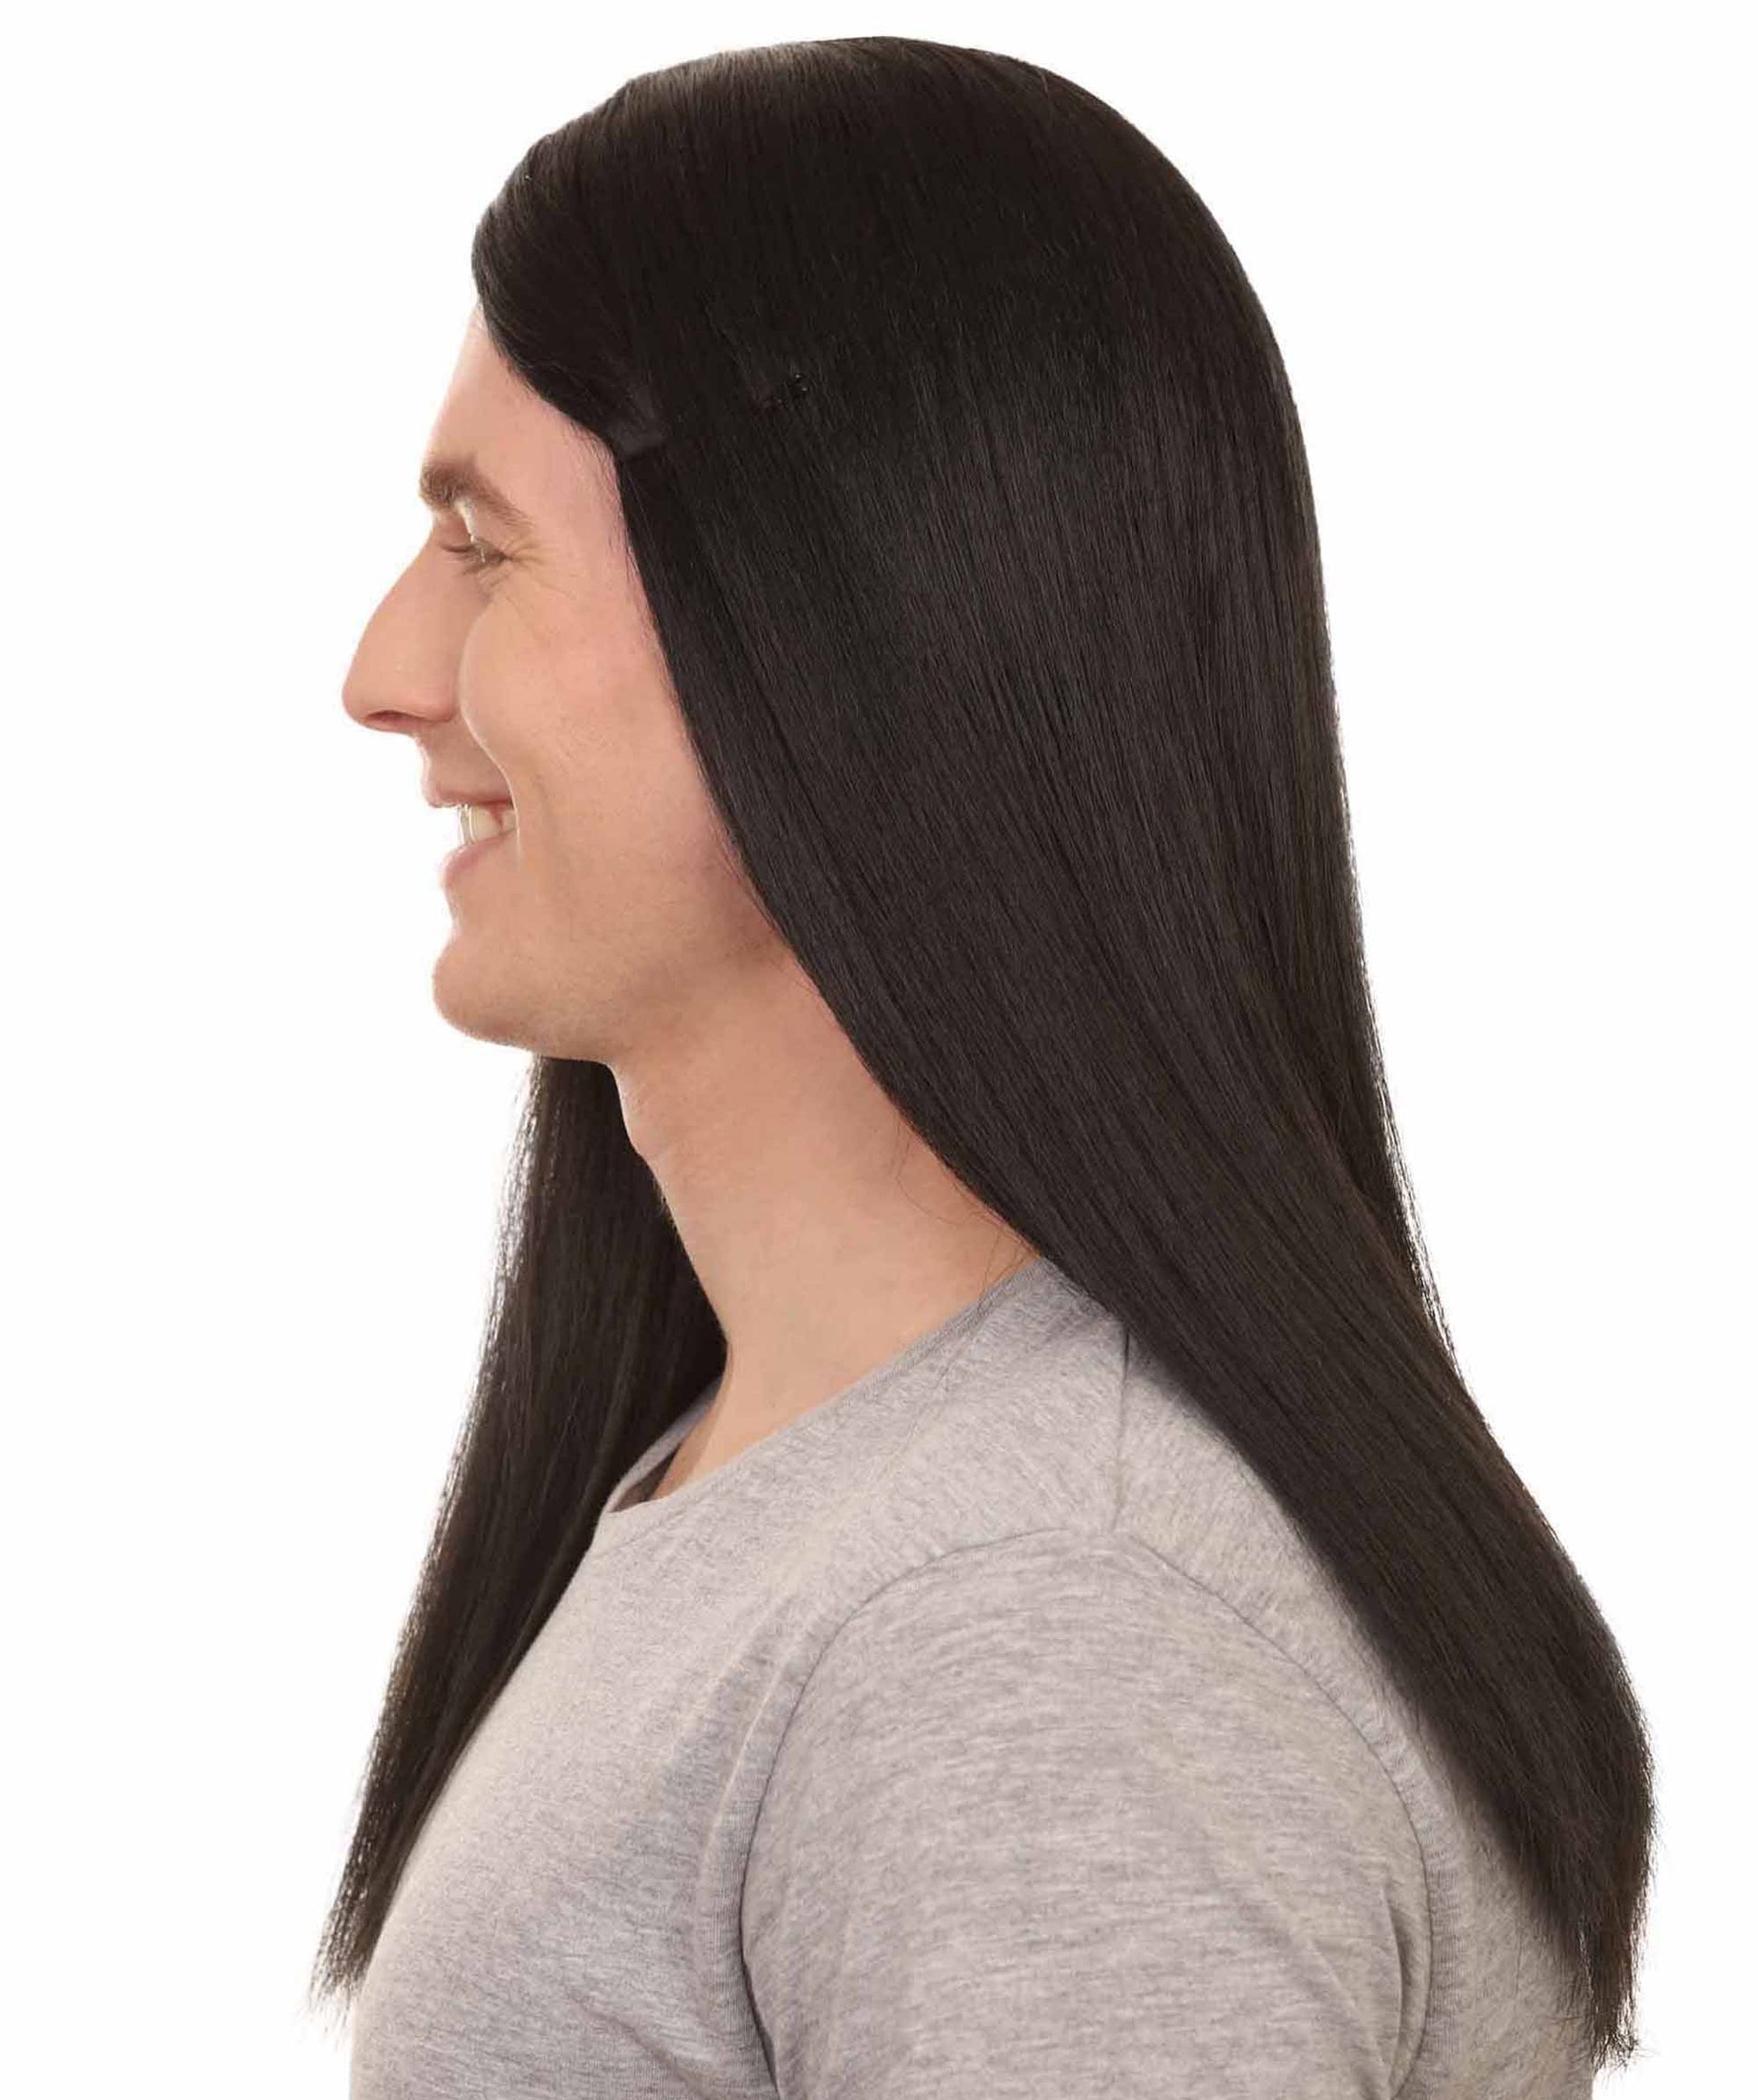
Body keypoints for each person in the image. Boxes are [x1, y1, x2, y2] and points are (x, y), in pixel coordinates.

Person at [313, 37, 1650, 2098]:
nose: (383, 673)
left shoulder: (1036, 1629)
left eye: (482, 547)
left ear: (828, 609)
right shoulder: (838, 1513)